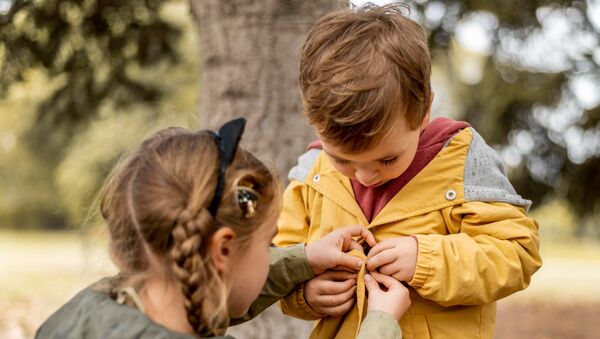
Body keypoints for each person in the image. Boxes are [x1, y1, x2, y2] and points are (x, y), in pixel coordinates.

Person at [273, 4, 543, 339]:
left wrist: (426, 259)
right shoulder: (309, 176)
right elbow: (280, 262)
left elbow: (517, 253)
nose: (365, 176)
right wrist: (306, 294)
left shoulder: (460, 162)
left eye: (386, 160)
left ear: (424, 111)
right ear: (313, 122)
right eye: (342, 160)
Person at [35, 118, 410, 339]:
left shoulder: (87, 311)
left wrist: (305, 259)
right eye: (268, 245)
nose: (271, 253)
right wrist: (380, 323)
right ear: (223, 249)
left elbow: (213, 283)